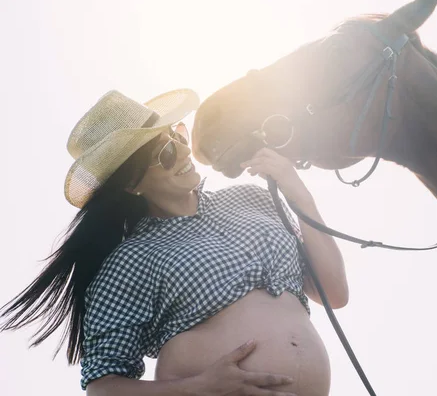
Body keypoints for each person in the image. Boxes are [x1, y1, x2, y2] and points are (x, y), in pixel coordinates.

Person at [0, 89, 348, 396]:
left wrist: (297, 191)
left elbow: (334, 292)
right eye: (165, 154)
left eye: (177, 136)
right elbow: (103, 387)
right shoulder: (130, 260)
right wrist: (197, 388)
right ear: (132, 183)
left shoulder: (251, 199)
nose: (182, 152)